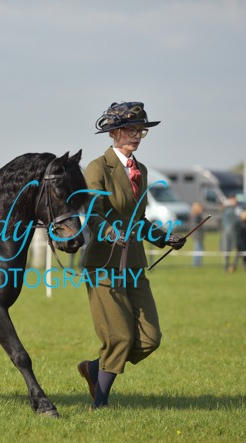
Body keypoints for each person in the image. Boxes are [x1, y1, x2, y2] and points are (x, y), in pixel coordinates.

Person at [77, 102, 186, 410]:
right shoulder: (97, 168)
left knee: (150, 338)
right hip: (103, 264)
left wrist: (164, 238)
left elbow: (139, 219)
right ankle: (100, 404)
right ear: (114, 133)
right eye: (130, 130)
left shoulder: (142, 170)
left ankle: (95, 368)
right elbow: (92, 213)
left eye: (140, 131)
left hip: (134, 264)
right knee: (121, 337)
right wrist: (110, 232)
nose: (137, 135)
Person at [220, 193, 240, 272]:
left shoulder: (235, 209)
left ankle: (232, 266)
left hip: (233, 232)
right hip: (228, 233)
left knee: (235, 250)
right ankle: (226, 267)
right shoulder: (228, 209)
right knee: (227, 250)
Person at [190, 202, 205, 266]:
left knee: (200, 249)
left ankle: (198, 263)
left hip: (198, 235)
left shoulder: (197, 216)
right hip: (197, 236)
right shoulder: (195, 216)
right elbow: (195, 226)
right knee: (197, 249)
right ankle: (196, 263)